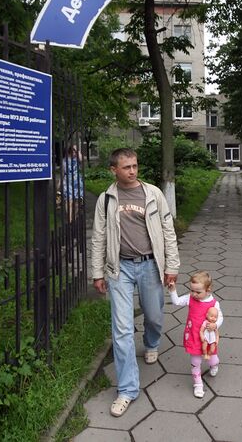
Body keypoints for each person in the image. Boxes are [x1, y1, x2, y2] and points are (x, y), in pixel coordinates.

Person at [91, 148, 179, 417]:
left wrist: (171, 266)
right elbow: (99, 236)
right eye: (126, 167)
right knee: (122, 329)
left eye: (135, 166)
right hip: (120, 270)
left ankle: (152, 343)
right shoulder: (106, 199)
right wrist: (97, 273)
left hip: (151, 265)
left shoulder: (153, 193)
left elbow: (167, 231)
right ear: (113, 170)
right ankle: (127, 389)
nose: (132, 171)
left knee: (153, 316)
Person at [168, 271, 223, 398]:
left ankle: (214, 365)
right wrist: (172, 290)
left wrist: (215, 325)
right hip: (193, 336)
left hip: (208, 338)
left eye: (198, 292)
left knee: (213, 360)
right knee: (195, 362)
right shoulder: (190, 298)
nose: (194, 294)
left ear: (208, 290)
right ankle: (198, 384)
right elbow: (176, 302)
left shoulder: (214, 303)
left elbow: (220, 317)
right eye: (192, 290)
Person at [62, 144, 84, 223]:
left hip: (77, 182)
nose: (75, 152)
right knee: (69, 201)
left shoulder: (77, 160)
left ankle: (74, 217)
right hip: (68, 182)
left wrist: (78, 151)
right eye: (74, 150)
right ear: (70, 151)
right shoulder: (64, 160)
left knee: (77, 202)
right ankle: (70, 219)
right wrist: (59, 183)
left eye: (76, 150)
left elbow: (81, 159)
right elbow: (63, 173)